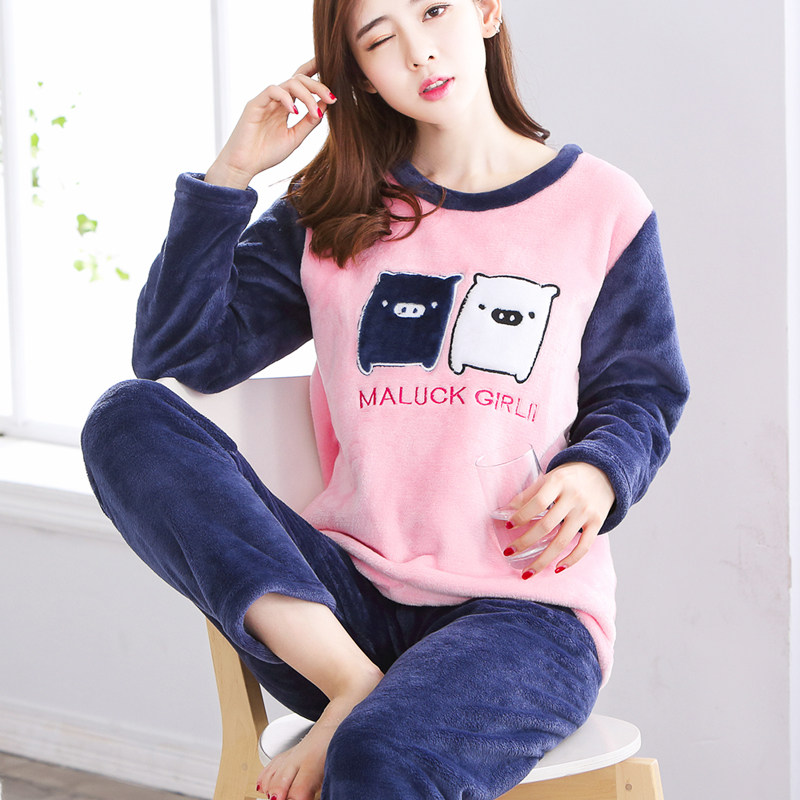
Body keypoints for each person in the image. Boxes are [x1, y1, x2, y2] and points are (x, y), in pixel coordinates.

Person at [81, 1, 689, 798]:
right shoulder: (333, 208)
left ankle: (362, 713)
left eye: (434, 11)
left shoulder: (601, 205)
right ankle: (351, 685)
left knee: (377, 757)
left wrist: (599, 471)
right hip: (343, 609)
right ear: (359, 74)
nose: (419, 52)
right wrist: (231, 174)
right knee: (125, 417)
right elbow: (176, 355)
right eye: (379, 39)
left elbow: (641, 388)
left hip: (523, 617)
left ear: (484, 11)